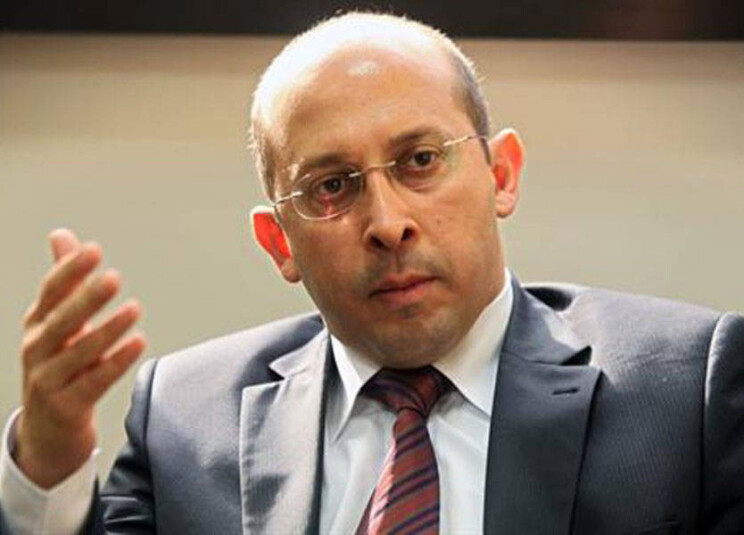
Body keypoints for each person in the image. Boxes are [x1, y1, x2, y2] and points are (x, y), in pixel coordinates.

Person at [1, 11, 743, 535]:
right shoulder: (186, 422)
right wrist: (49, 462)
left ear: (501, 174)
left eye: (420, 160)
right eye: (331, 186)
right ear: (279, 243)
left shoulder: (685, 393)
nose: (387, 222)